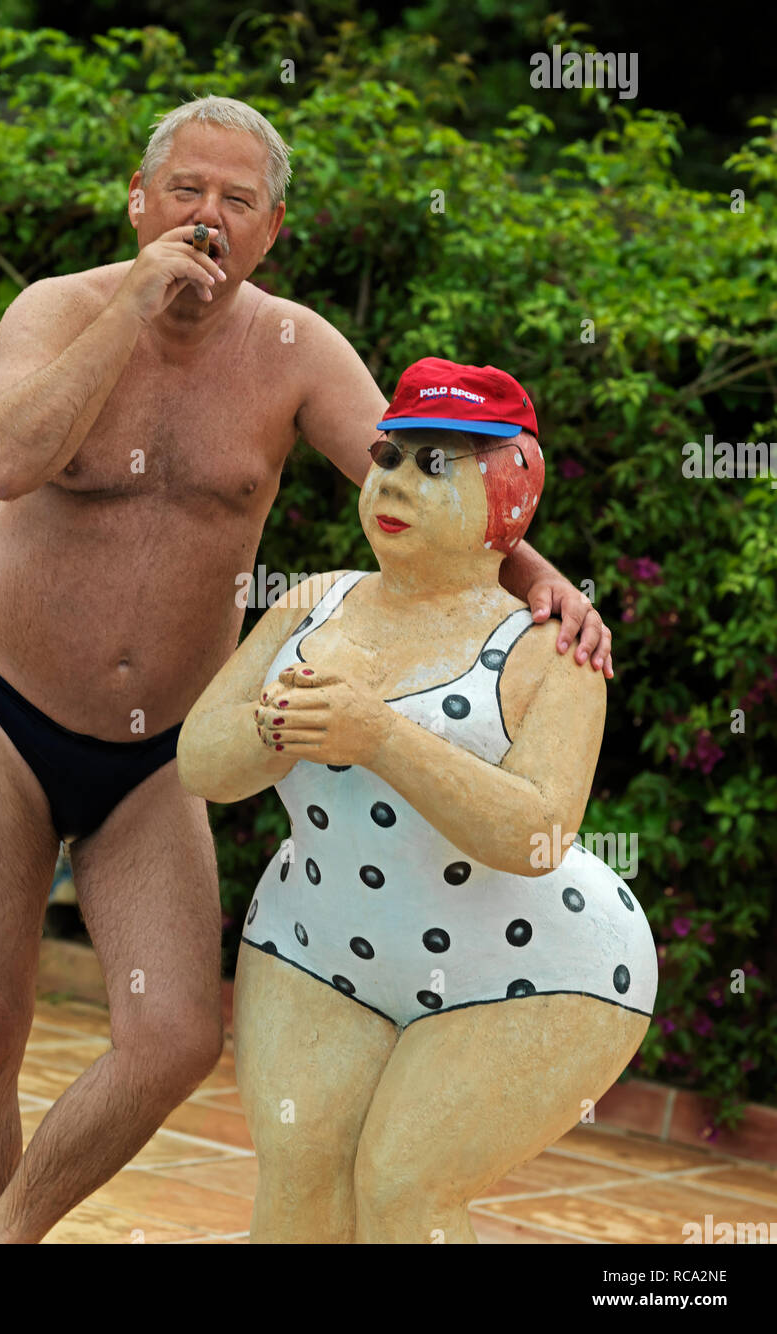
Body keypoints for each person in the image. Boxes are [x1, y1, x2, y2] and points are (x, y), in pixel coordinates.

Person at [0, 96, 614, 1245]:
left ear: (273, 227)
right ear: (138, 202)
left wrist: (542, 580)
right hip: (3, 709)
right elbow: (4, 459)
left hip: (162, 749)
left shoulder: (295, 349)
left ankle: (4, 1238)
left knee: (177, 1037)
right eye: (186, 191)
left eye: (236, 201)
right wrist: (131, 308)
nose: (208, 217)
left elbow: (420, 491)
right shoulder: (56, 309)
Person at [177, 358, 656, 1244]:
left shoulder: (550, 653)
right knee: (297, 1176)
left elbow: (540, 835)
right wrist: (278, 726)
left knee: (402, 1187)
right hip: (321, 937)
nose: (394, 482)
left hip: (529, 968)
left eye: (436, 466)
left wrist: (383, 738)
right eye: (390, 456)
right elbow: (202, 762)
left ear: (507, 496)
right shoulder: (314, 605)